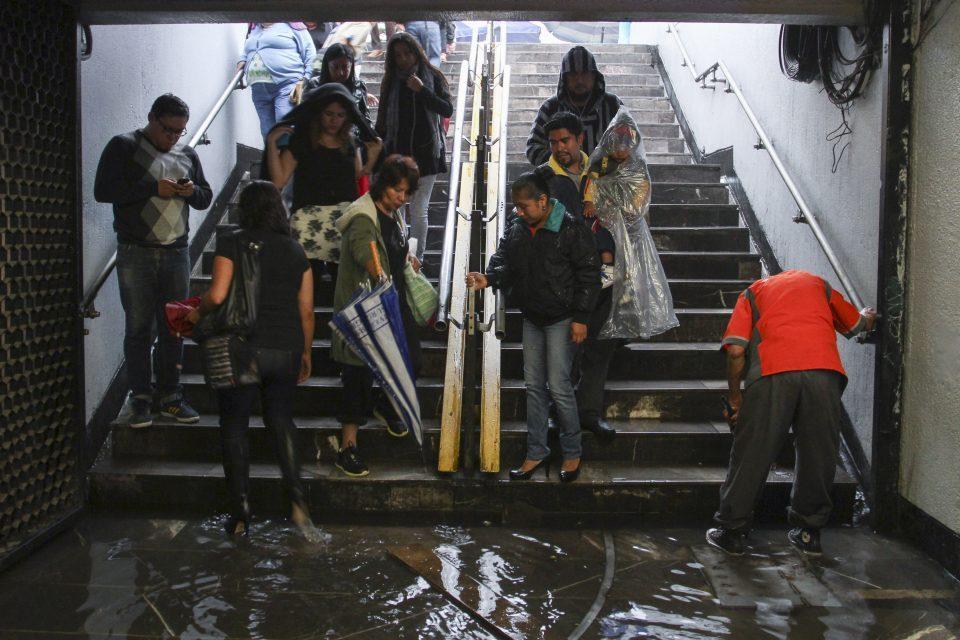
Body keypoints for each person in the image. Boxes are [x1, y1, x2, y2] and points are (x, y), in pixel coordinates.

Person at [707, 270, 878, 556]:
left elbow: (735, 351)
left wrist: (736, 398)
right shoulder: (818, 285)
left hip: (772, 374)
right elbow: (857, 324)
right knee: (818, 452)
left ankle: (732, 531)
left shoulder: (753, 292)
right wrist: (867, 315)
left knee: (753, 450)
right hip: (823, 374)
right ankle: (809, 533)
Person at [186, 181, 320, 540]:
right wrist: (306, 352)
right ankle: (297, 503)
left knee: (234, 425)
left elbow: (217, 295)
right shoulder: (295, 250)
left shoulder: (232, 241)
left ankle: (241, 513)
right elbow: (307, 310)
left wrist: (195, 315)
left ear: (245, 209)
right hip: (286, 348)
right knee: (281, 419)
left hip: (243, 348)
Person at [466, 168, 600, 483]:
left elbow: (589, 275)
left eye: (524, 206)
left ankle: (572, 452)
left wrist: (581, 318)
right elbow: (505, 261)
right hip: (533, 317)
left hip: (562, 318)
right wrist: (489, 278)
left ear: (542, 201)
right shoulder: (518, 227)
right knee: (534, 388)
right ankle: (536, 451)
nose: (518, 211)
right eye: (516, 206)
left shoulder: (571, 228)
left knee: (559, 386)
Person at [94, 93, 213, 429]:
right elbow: (103, 191)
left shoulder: (187, 153)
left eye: (179, 131)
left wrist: (191, 192)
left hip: (176, 251)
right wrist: (151, 188)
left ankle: (171, 397)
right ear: (151, 118)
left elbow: (205, 197)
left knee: (175, 326)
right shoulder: (124, 146)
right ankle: (141, 399)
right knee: (138, 329)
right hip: (136, 251)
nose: (173, 137)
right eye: (168, 129)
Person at [331, 155, 424, 477]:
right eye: (397, 190)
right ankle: (348, 448)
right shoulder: (363, 216)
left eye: (407, 192)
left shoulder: (392, 213)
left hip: (393, 301)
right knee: (356, 376)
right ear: (383, 184)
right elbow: (365, 252)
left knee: (412, 358)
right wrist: (380, 273)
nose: (402, 197)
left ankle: (383, 402)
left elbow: (394, 250)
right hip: (364, 307)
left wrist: (407, 259)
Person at [539, 112, 618, 442]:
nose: (559, 148)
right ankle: (556, 414)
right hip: (567, 280)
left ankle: (589, 413)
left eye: (565, 140)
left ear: (580, 139)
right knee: (563, 350)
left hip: (603, 274)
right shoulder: (545, 179)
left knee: (600, 347)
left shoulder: (600, 170)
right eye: (553, 142)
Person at [265, 83, 382, 282]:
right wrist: (271, 144)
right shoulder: (302, 141)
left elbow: (356, 175)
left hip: (344, 222)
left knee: (344, 284)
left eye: (340, 115)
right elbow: (279, 181)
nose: (334, 120)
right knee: (309, 284)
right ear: (319, 113)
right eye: (329, 114)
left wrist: (372, 159)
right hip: (307, 222)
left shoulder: (350, 142)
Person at [584, 109, 678, 341]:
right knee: (609, 255)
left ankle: (631, 315)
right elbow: (592, 183)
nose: (620, 149)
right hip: (606, 221)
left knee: (634, 268)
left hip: (631, 224)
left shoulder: (637, 166)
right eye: (616, 143)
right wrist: (592, 202)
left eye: (626, 144)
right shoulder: (602, 162)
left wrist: (630, 210)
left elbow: (642, 193)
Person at [375, 32, 453, 262]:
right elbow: (382, 119)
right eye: (398, 55)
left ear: (416, 52)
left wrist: (422, 90)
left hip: (426, 154)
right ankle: (399, 257)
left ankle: (416, 260)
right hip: (397, 155)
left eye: (407, 53)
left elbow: (447, 109)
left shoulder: (432, 75)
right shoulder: (391, 80)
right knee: (396, 208)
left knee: (419, 210)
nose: (403, 59)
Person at [526, 46, 623, 166]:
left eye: (585, 73)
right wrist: (561, 164)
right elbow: (533, 148)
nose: (579, 80)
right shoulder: (550, 108)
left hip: (606, 177)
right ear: (564, 78)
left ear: (594, 76)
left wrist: (604, 168)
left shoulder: (613, 105)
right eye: (573, 74)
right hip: (560, 177)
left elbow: (630, 144)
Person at [237, 22, 317, 139]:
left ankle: (288, 151)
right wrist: (242, 59)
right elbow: (248, 49)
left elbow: (311, 54)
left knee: (283, 127)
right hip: (259, 89)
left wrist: (305, 79)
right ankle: (273, 151)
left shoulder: (293, 25)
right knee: (267, 131)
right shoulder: (254, 28)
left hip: (286, 85)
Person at [307, 42, 379, 136]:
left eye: (345, 67)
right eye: (335, 67)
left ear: (351, 67)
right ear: (327, 66)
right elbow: (306, 118)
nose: (340, 73)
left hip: (351, 139)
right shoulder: (315, 85)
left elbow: (364, 118)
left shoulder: (358, 86)